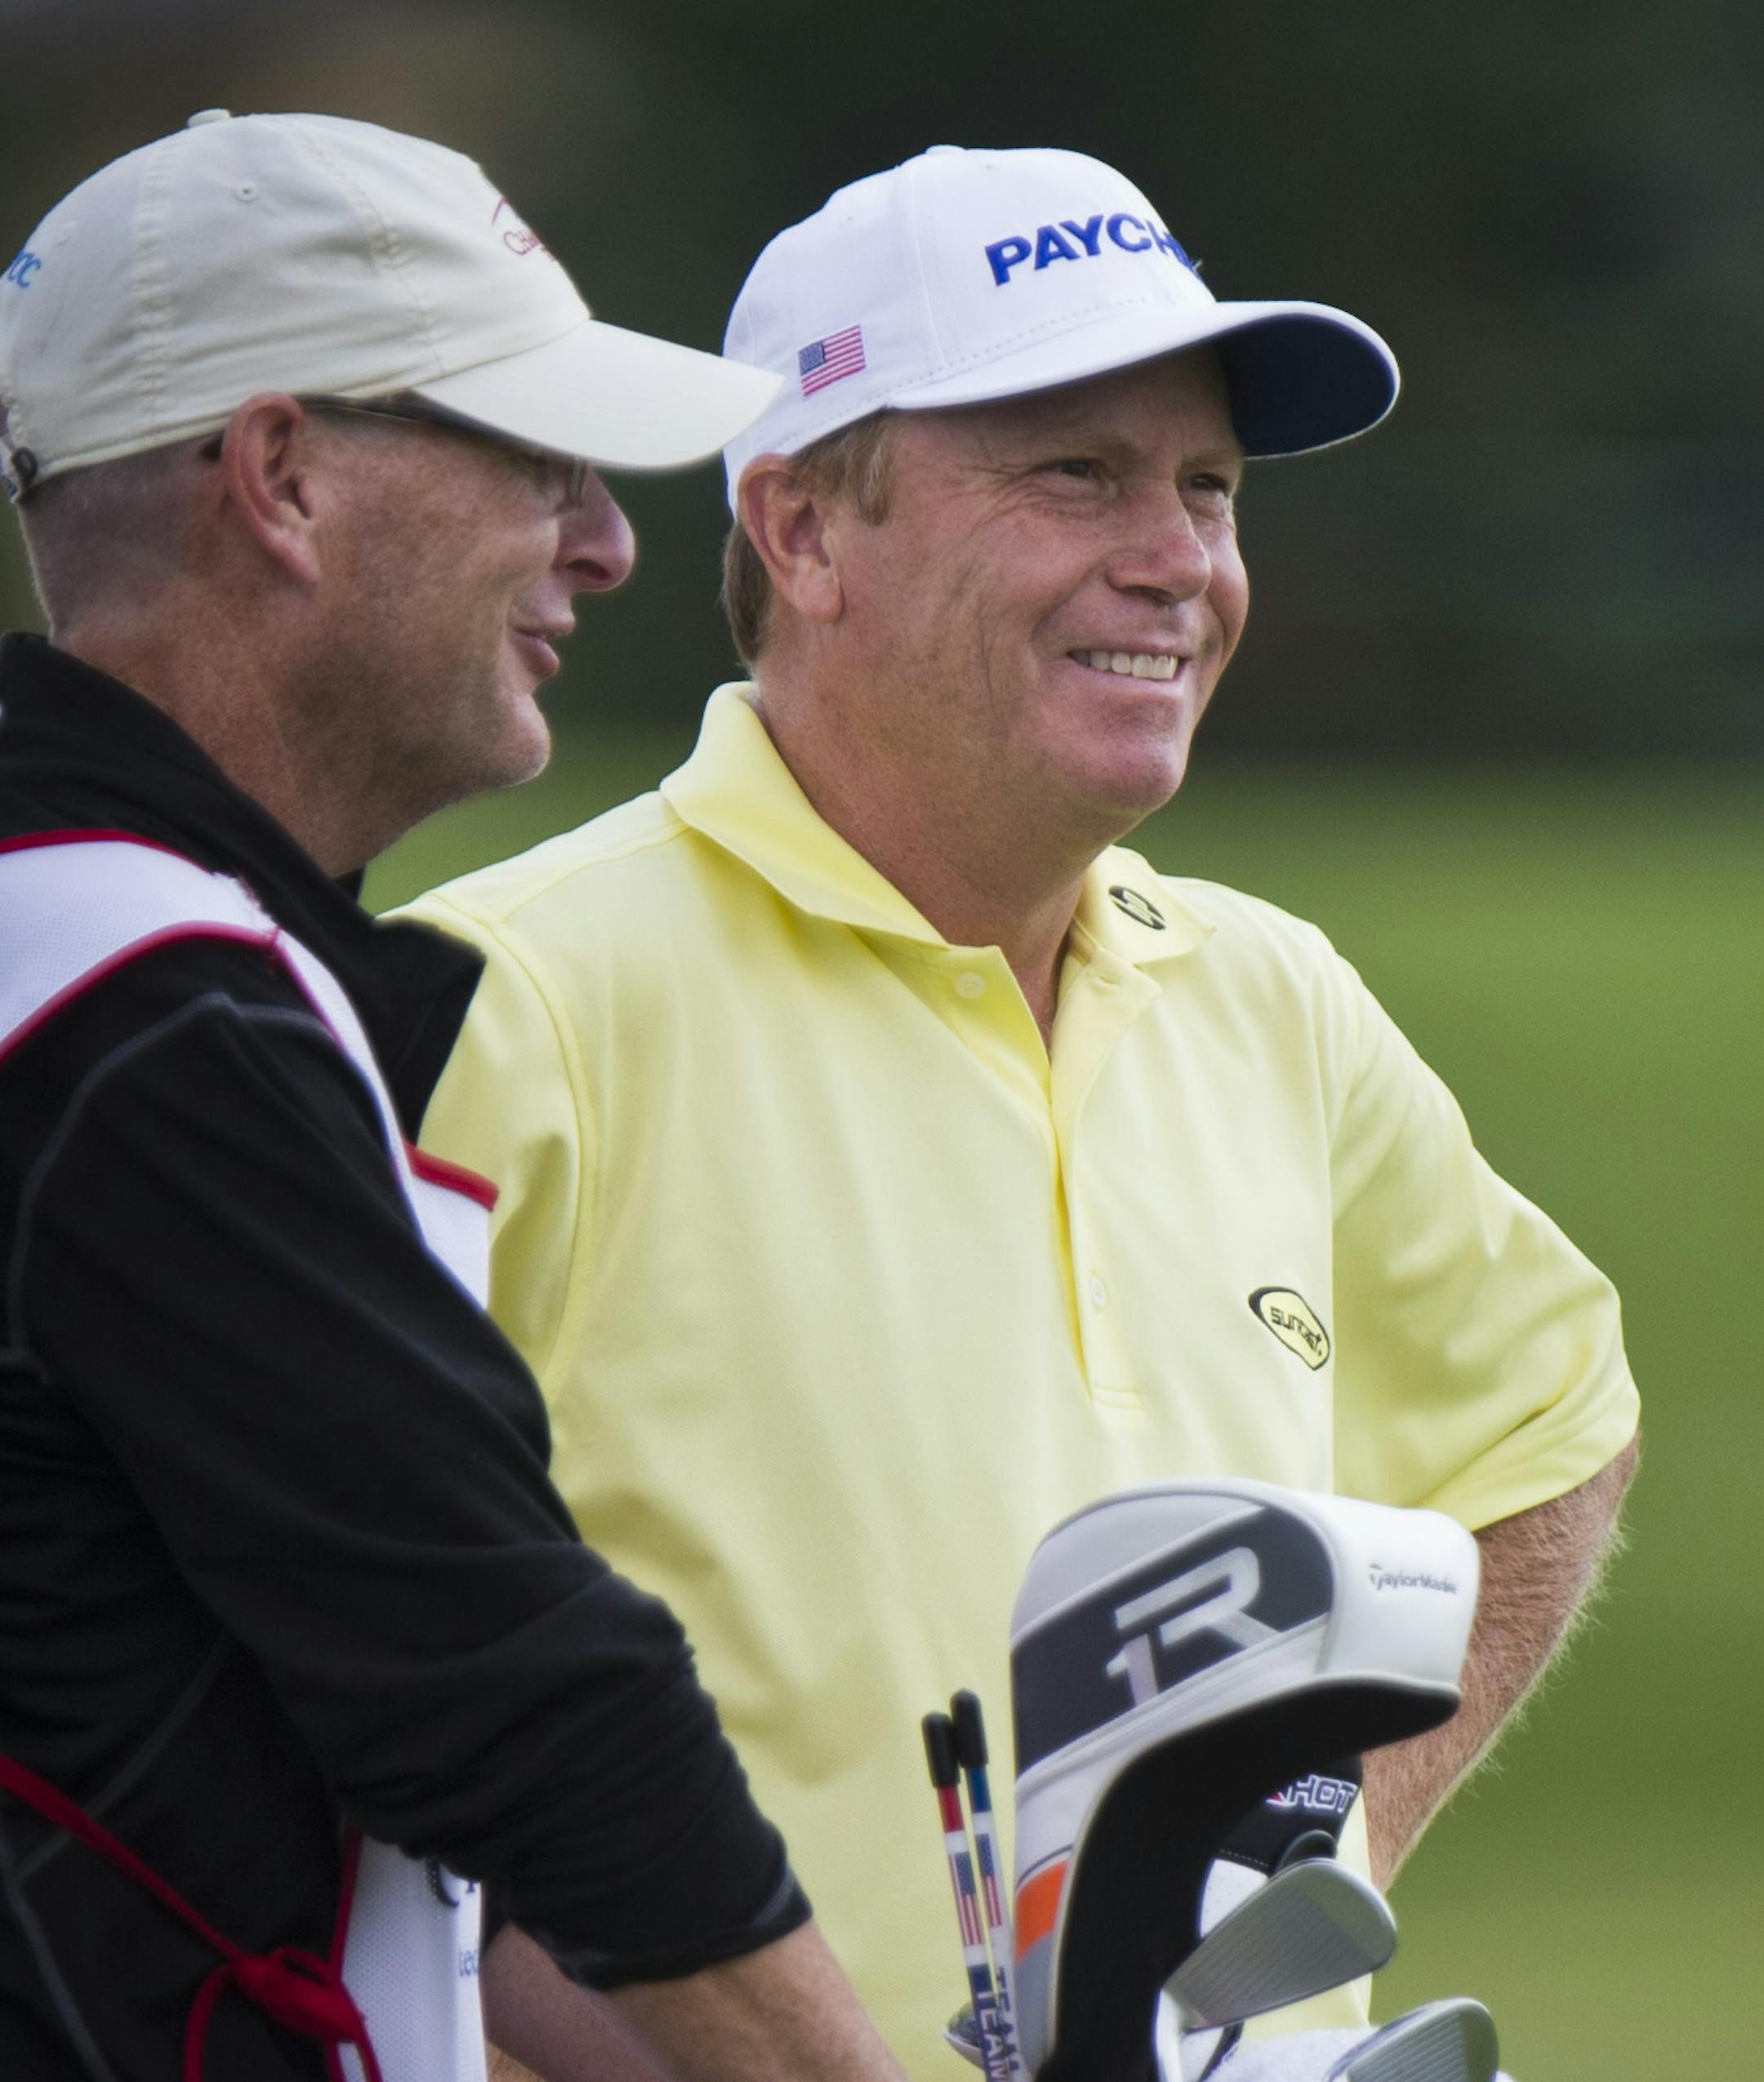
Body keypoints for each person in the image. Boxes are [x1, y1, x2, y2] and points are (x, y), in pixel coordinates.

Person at [402, 146, 1641, 2076]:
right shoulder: (505, 999)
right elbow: (295, 1679)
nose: (1182, 560)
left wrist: (1301, 1856)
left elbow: (1550, 1421)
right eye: (1078, 473)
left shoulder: (1271, 997)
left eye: (1209, 488)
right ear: (803, 532)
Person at [0, 111, 911, 2082]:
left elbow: (372, 1786)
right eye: (535, 458)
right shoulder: (137, 1008)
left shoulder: (96, 954)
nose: (604, 539)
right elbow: (509, 1689)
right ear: (285, 476)